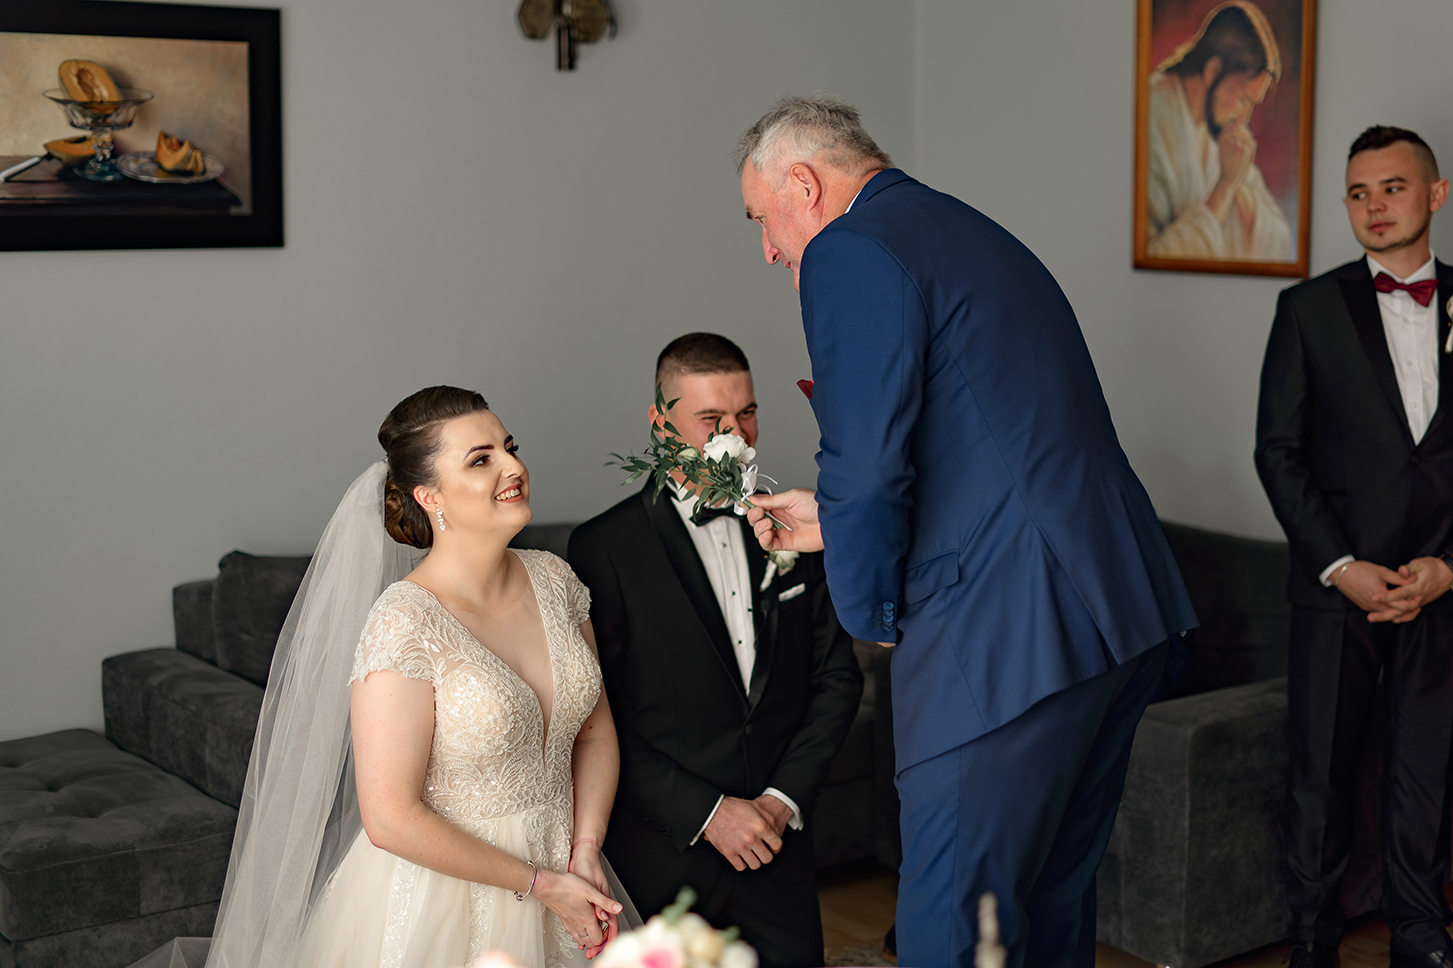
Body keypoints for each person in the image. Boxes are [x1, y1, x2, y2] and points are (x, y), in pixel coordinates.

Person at [736, 96, 1197, 968]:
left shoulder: (848, 248)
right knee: (1050, 906)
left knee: (951, 922)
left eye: (761, 219)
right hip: (1112, 608)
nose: (766, 248)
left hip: (1005, 632)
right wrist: (836, 521)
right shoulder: (966, 227)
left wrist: (871, 614)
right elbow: (990, 431)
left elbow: (869, 465)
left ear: (803, 183)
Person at [206, 387, 630, 968]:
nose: (513, 468)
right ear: (430, 497)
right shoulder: (402, 622)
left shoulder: (556, 580)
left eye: (509, 448)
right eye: (480, 460)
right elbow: (390, 819)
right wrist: (541, 884)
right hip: (448, 900)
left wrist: (584, 850)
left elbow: (595, 733)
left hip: (571, 870)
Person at [567, 333, 863, 968]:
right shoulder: (604, 548)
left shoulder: (795, 527)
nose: (737, 435)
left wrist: (781, 802)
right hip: (665, 855)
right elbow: (595, 721)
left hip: (779, 850)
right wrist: (709, 814)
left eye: (746, 412)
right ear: (661, 423)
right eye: (711, 418)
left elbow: (837, 678)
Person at [1254, 125, 1453, 968]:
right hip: (1336, 589)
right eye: (1357, 193)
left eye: (1392, 188)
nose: (1373, 207)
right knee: (1321, 775)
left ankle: (1419, 936)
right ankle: (1311, 942)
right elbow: (1277, 452)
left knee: (1426, 774)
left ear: (1434, 195)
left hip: (1438, 586)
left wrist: (1448, 568)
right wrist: (1340, 567)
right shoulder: (1306, 309)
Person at [1145, 1, 1293, 262]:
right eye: (1243, 100)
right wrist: (1225, 187)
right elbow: (1153, 253)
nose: (1244, 118)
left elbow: (1278, 240)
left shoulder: (1220, 129)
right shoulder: (1152, 113)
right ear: (1213, 72)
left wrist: (1238, 184)